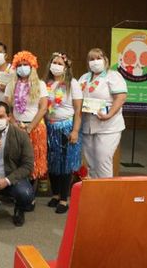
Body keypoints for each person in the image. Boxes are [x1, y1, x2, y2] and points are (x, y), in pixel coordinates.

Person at [4, 51, 48, 204]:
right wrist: (15, 123)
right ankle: (16, 192)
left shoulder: (40, 84)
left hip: (34, 127)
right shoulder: (11, 84)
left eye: (26, 65)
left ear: (32, 67)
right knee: (15, 160)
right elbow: (7, 107)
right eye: (19, 65)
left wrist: (29, 128)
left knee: (33, 162)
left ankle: (30, 196)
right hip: (16, 126)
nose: (22, 68)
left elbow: (43, 108)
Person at [78, 48, 128, 178]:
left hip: (108, 126)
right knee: (90, 163)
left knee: (102, 160)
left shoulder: (113, 76)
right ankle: (94, 192)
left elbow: (121, 97)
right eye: (91, 59)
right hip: (87, 126)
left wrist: (109, 114)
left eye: (98, 58)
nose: (95, 62)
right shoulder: (84, 77)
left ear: (105, 60)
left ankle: (107, 194)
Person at [43, 52, 83, 214]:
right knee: (52, 162)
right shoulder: (46, 83)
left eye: (60, 63)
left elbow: (78, 111)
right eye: (54, 62)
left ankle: (64, 199)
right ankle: (55, 194)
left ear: (66, 67)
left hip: (66, 127)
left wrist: (75, 131)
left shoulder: (72, 83)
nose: (56, 66)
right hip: (49, 127)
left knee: (65, 164)